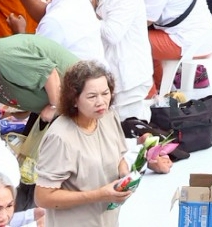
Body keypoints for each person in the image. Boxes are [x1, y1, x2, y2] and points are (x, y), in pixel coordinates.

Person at [34, 60, 169, 227]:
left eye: (105, 93)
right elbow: (43, 197)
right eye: (92, 96)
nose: (101, 102)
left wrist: (125, 175)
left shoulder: (108, 116)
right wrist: (98, 195)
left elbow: (117, 156)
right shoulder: (60, 138)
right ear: (74, 99)